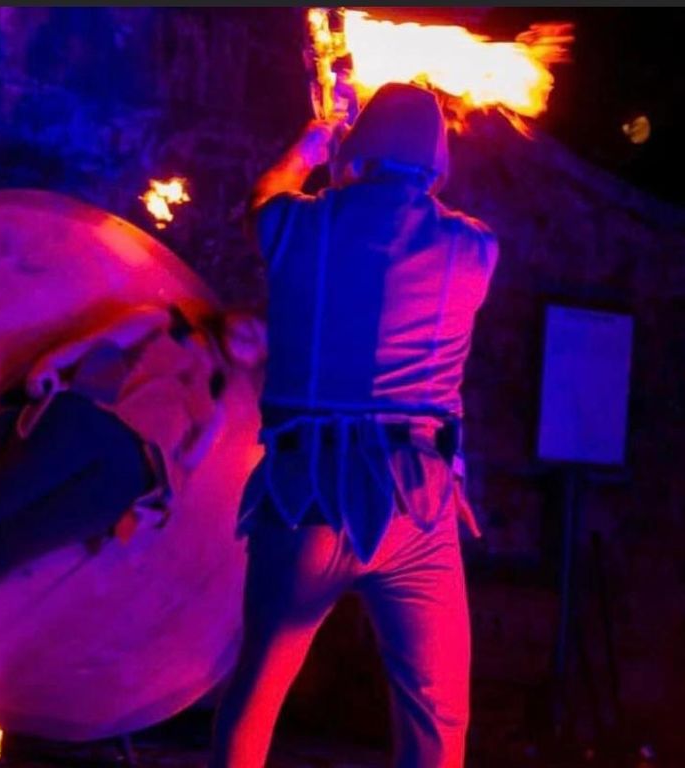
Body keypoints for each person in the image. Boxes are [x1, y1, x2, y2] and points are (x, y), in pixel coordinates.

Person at [210, 83, 499, 768]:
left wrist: (315, 147)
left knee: (255, 697)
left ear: (360, 148)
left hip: (308, 495)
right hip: (416, 503)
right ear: (436, 162)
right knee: (437, 720)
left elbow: (264, 201)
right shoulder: (473, 247)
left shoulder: (298, 225)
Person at [0, 302, 265, 646]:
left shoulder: (215, 406)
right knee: (1, 496)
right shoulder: (164, 323)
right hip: (88, 419)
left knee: (24, 541)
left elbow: (185, 464)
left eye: (263, 343)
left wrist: (154, 506)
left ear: (256, 362)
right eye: (253, 322)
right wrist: (52, 363)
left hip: (125, 480)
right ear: (234, 311)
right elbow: (101, 340)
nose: (252, 335)